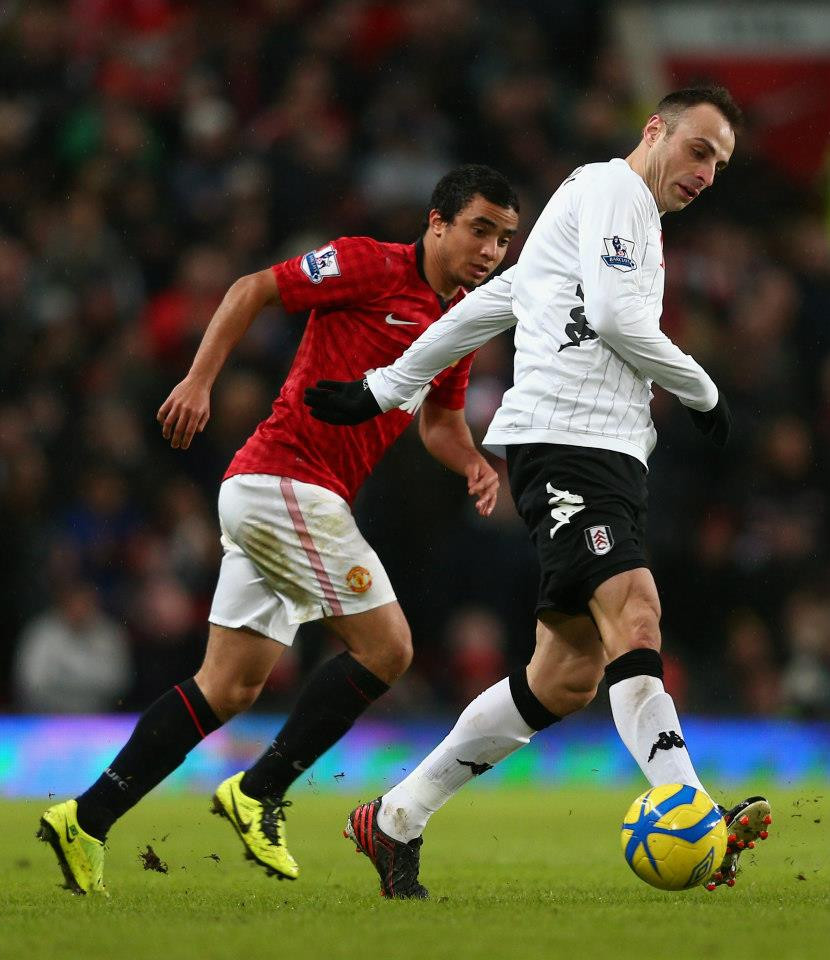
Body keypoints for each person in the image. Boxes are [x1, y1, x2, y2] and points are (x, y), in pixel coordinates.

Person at [305, 87, 772, 899]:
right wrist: (706, 395)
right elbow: (624, 324)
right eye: (698, 149)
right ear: (654, 130)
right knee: (637, 610)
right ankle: (690, 807)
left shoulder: (607, 210)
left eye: (720, 165)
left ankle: (394, 819)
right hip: (567, 444)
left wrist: (388, 387)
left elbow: (498, 298)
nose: (706, 173)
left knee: (564, 677)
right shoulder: (612, 191)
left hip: (613, 455)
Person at [37, 164, 520, 896]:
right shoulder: (368, 263)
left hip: (291, 500)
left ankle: (86, 819)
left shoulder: (463, 323)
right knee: (389, 648)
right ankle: (258, 792)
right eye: (481, 229)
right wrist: (199, 379)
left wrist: (474, 465)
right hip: (284, 483)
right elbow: (252, 288)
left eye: (505, 239)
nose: (492, 251)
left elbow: (441, 422)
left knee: (227, 687)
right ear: (437, 222)